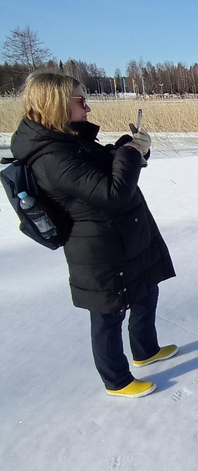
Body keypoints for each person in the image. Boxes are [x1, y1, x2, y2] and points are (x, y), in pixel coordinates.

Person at [10, 71, 177, 398]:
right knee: (108, 312)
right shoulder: (51, 156)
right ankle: (116, 380)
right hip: (98, 247)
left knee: (145, 291)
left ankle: (146, 350)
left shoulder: (66, 138)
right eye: (80, 101)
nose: (88, 108)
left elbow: (100, 167)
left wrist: (128, 148)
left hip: (123, 236)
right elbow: (112, 192)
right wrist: (130, 155)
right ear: (55, 103)